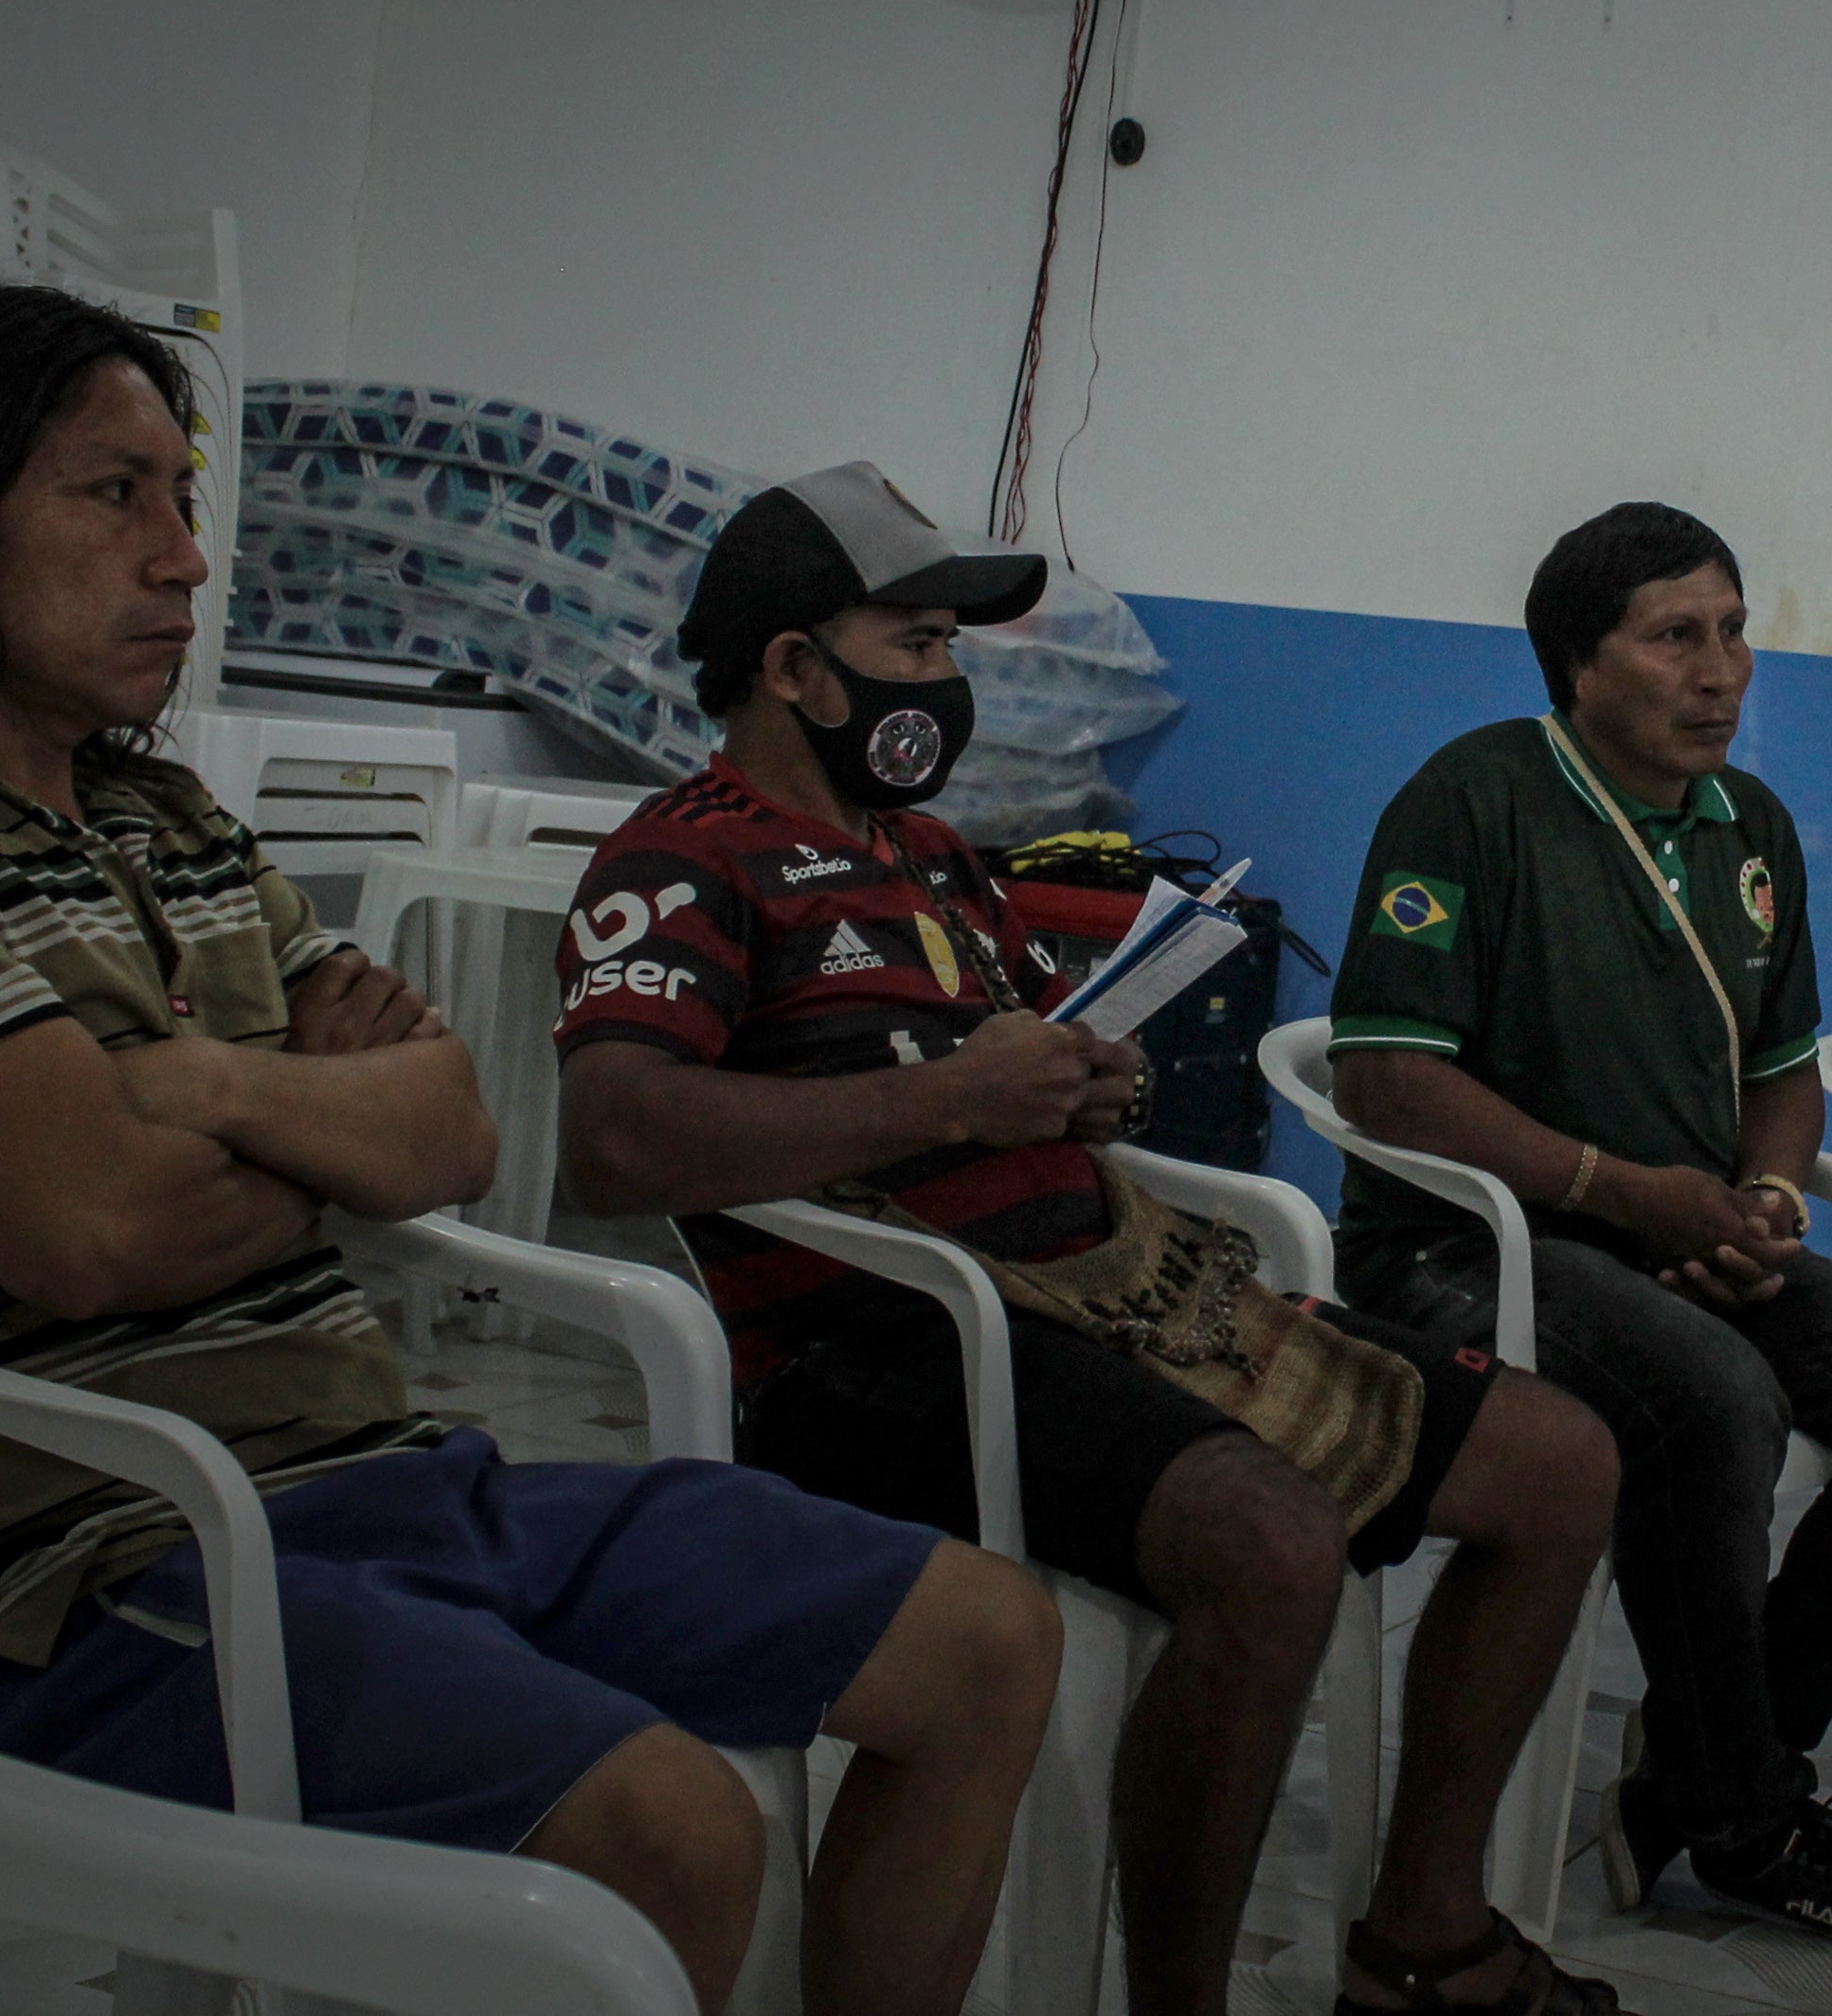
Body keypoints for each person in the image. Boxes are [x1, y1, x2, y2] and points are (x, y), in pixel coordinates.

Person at [0, 286, 1058, 2016]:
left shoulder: (172, 818)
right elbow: (93, 1229)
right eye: (117, 497)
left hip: (395, 1487)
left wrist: (192, 1089)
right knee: (671, 1832)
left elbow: (454, 1128)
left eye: (188, 498)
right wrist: (289, 1128)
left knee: (989, 1642)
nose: (183, 559)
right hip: (102, 1573)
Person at [552, 464, 1627, 2016]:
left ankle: (1423, 1936)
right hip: (881, 1349)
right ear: (792, 667)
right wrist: (954, 1099)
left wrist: (1071, 1084)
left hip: (1102, 1296)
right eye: (914, 644)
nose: (946, 680)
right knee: (1270, 1546)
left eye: (947, 649)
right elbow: (616, 1142)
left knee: (1560, 1464)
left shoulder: (934, 860)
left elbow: (991, 1082)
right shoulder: (685, 857)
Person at [1327, 501, 1832, 1952]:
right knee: (1718, 1396)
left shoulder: (1747, 830)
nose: (1724, 672)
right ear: (1577, 665)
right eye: (1675, 638)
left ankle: (1699, 1773)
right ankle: (1749, 1817)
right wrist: (1618, 1190)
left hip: (1674, 1238)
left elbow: (1782, 1073)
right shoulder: (1476, 798)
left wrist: (1767, 1197)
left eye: (1735, 630)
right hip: (1469, 1258)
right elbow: (1386, 1075)